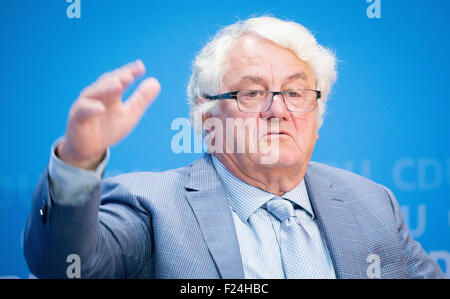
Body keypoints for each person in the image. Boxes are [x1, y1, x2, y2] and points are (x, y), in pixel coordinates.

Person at [24, 16, 444, 279]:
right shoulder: (152, 206)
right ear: (208, 119)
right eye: (252, 93)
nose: (277, 110)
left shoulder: (372, 204)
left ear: (318, 115)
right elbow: (64, 267)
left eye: (296, 93)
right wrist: (79, 160)